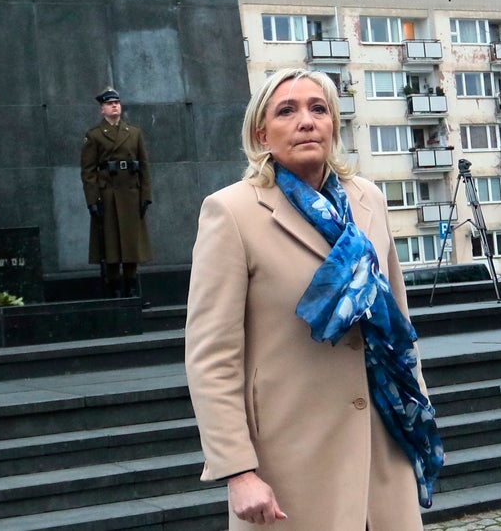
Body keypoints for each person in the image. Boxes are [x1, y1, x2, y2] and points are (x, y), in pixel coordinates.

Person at [184, 68, 444, 530]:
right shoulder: (232, 212)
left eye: (318, 109)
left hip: (385, 442)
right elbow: (212, 356)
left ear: (333, 126)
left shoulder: (368, 200)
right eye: (287, 111)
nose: (306, 120)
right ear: (261, 134)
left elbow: (398, 326)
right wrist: (238, 471)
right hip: (290, 459)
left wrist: (417, 411)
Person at [80, 87, 152, 298]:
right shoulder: (94, 135)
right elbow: (88, 171)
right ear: (102, 109)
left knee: (131, 245)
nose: (114, 106)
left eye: (117, 103)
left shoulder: (134, 133)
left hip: (131, 194)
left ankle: (131, 288)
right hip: (108, 195)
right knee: (110, 245)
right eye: (110, 103)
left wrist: (146, 196)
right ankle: (114, 290)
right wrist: (92, 200)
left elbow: (144, 166)